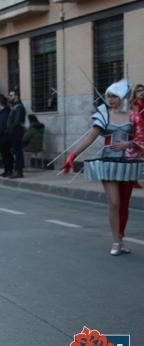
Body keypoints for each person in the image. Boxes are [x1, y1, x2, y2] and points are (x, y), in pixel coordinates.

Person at [62, 79, 143, 256]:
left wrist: (128, 144)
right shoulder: (103, 114)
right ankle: (115, 241)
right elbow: (89, 138)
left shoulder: (134, 116)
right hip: (108, 164)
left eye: (114, 96)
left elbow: (141, 141)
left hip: (128, 165)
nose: (110, 99)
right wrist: (72, 156)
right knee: (114, 203)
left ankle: (121, 239)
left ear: (122, 96)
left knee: (124, 205)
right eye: (108, 96)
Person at [7, 89, 27, 178]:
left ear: (16, 96)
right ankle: (17, 170)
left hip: (17, 131)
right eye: (9, 95)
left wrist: (11, 129)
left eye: (11, 95)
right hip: (14, 131)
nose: (9, 97)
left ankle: (19, 172)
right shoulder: (15, 106)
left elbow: (18, 120)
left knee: (18, 151)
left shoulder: (19, 107)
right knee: (16, 151)